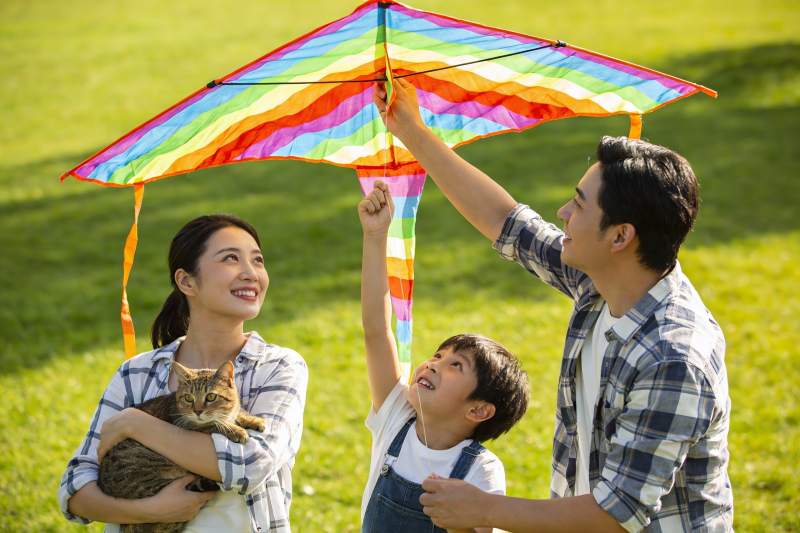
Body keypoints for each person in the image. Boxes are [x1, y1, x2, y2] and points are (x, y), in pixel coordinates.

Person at [373, 79, 733, 532]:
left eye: (579, 206)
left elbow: (618, 513)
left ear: (620, 237)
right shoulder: (602, 280)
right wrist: (412, 131)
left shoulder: (673, 359)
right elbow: (506, 222)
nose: (563, 212)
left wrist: (484, 509)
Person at [58, 214, 308, 533]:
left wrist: (135, 424)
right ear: (186, 281)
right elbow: (75, 488)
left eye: (258, 260)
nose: (251, 273)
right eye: (231, 258)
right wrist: (150, 511)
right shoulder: (136, 373)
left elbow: (251, 465)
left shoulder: (277, 367)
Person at [357, 181, 530, 533]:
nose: (433, 363)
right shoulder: (395, 418)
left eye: (455, 365)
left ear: (478, 410)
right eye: (438, 355)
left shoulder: (480, 471)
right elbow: (377, 328)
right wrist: (376, 237)